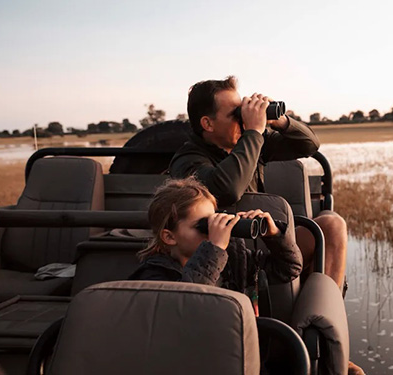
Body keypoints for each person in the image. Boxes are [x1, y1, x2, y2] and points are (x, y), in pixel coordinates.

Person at [169, 76, 349, 292]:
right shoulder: (188, 160)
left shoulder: (251, 143)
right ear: (207, 123)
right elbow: (228, 190)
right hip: (224, 254)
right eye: (236, 115)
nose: (243, 120)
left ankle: (325, 313)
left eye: (242, 111)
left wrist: (280, 121)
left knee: (332, 224)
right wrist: (254, 132)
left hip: (266, 241)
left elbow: (309, 146)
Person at [129, 177, 302, 302]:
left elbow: (288, 269)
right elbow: (186, 303)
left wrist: (274, 236)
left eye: (214, 220)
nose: (212, 231)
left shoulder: (234, 259)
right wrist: (214, 249)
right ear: (169, 236)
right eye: (204, 226)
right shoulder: (153, 277)